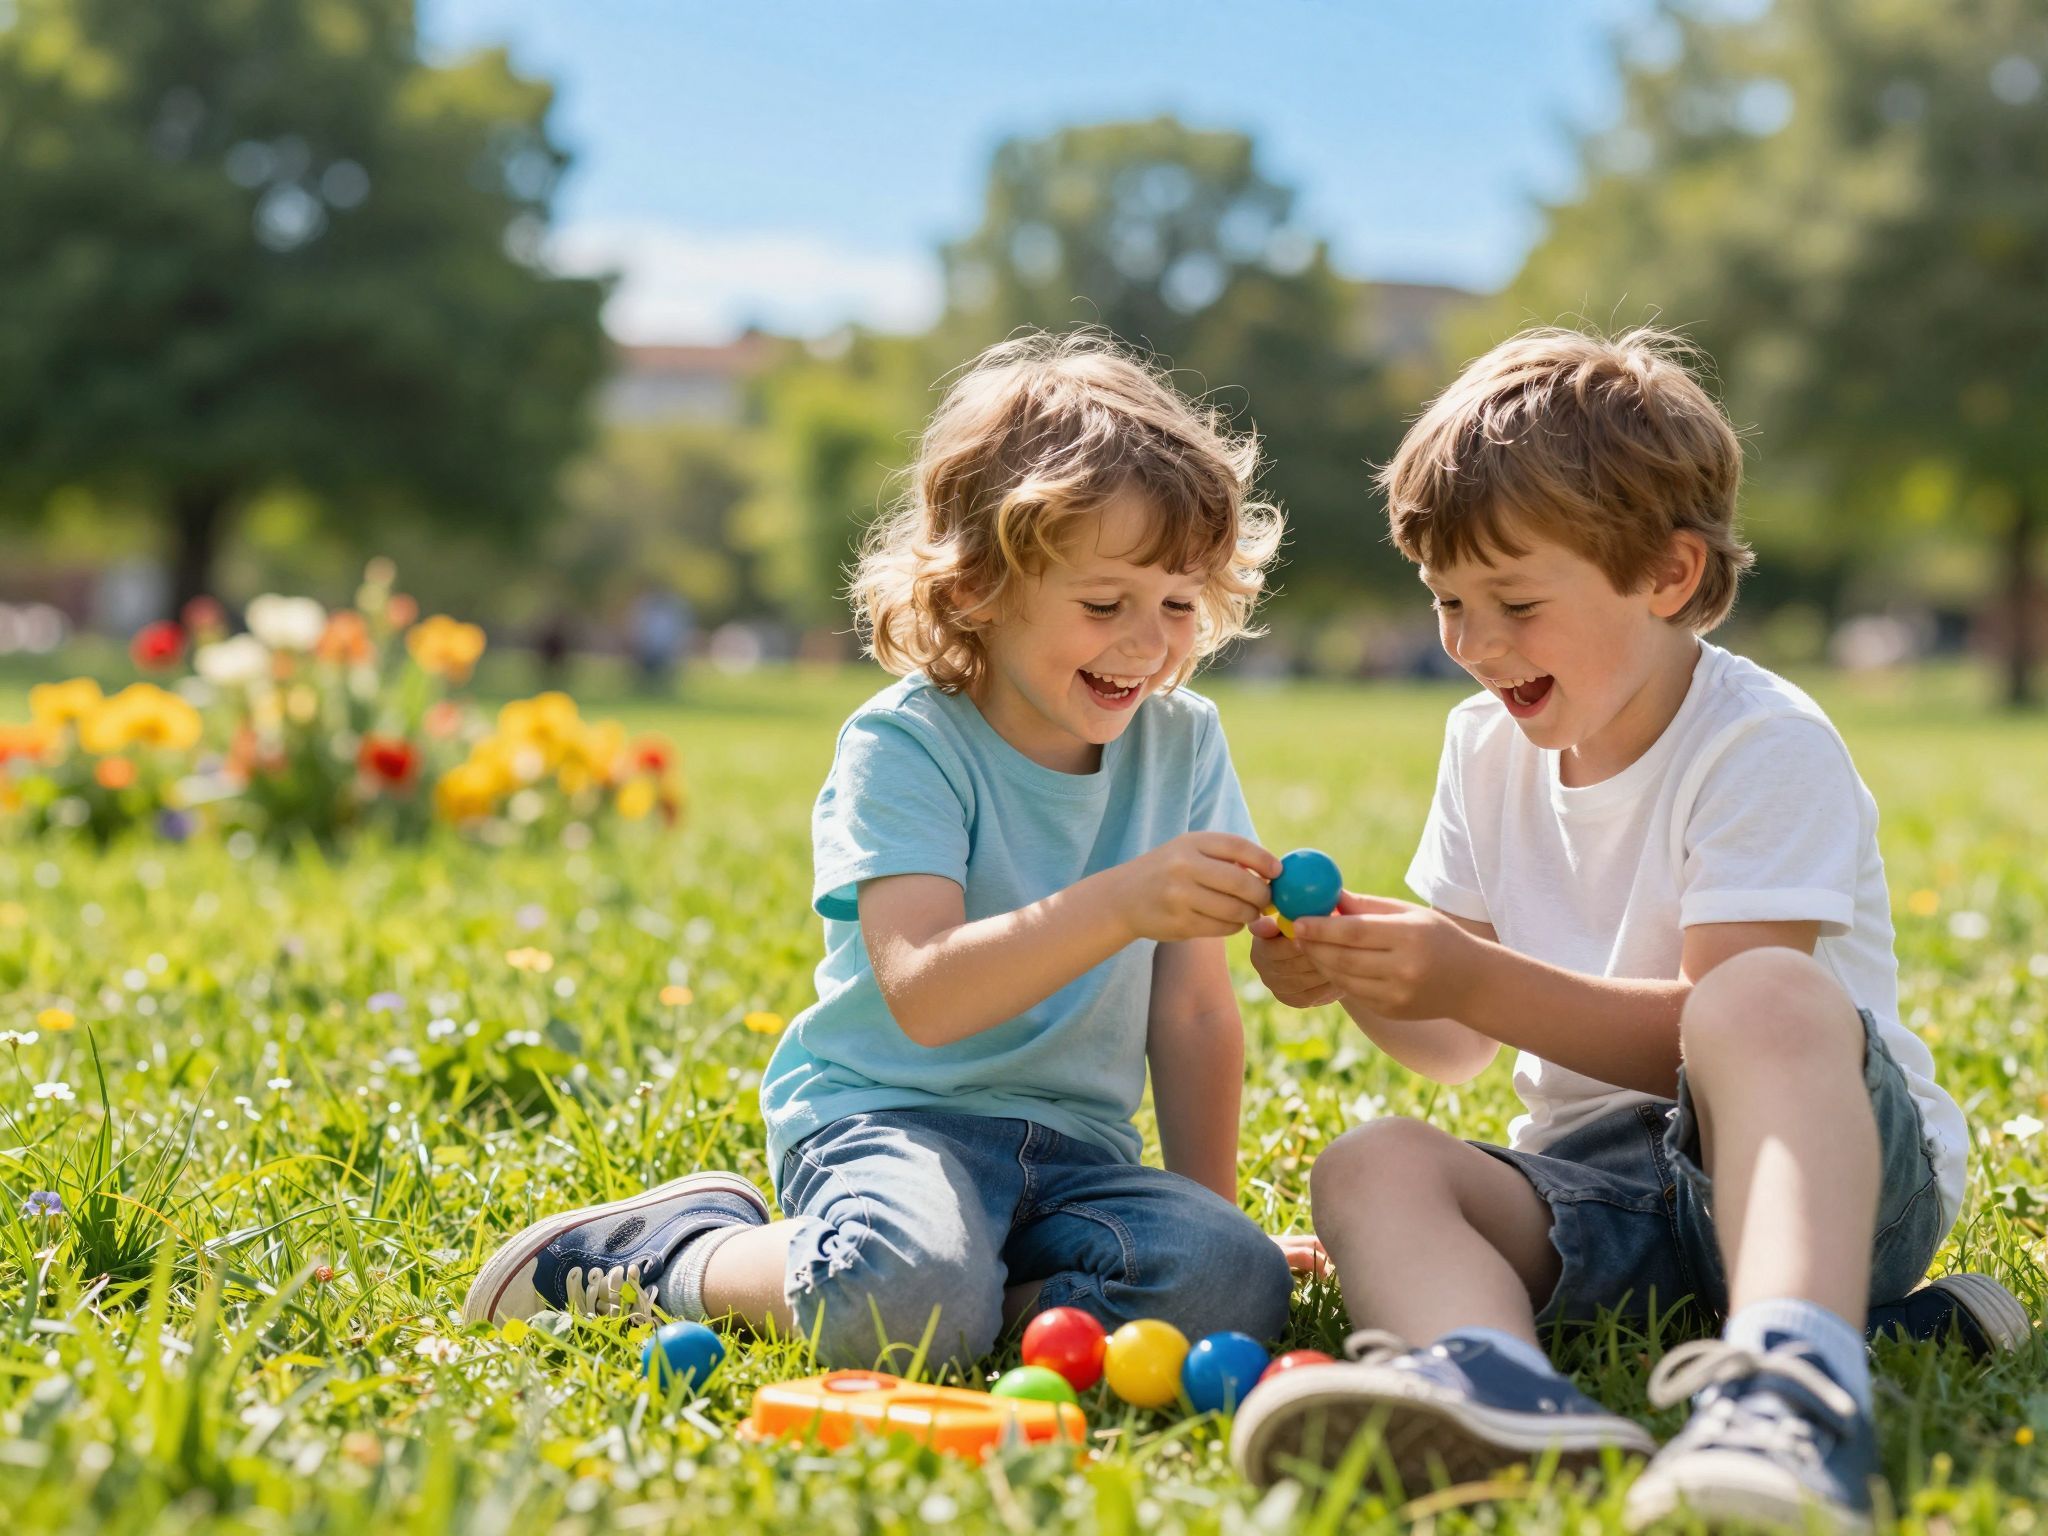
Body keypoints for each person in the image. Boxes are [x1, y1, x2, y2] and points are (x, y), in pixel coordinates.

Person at [1229, 328, 2027, 1532]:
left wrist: (1463, 973)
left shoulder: (1759, 741)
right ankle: (1497, 1389)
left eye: (1513, 601)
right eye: (1446, 600)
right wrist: (1365, 978)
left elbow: (1703, 1040)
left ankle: (1792, 1384)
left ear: (1664, 575)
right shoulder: (1479, 746)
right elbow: (1456, 1048)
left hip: (1819, 1174)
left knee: (1753, 1000)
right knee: (1369, 1164)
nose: (1474, 644)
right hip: (1605, 1190)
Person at [465, 330, 1309, 1370]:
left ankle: (967, 1291)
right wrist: (1121, 902)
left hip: (1079, 1155)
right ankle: (673, 1255)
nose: (1148, 642)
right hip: (894, 1122)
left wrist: (1213, 1225)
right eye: (1104, 604)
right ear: (977, 589)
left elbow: (1188, 1009)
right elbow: (923, 992)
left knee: (1232, 1281)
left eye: (1178, 605)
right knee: (900, 1293)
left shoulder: (1183, 743)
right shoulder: (904, 741)